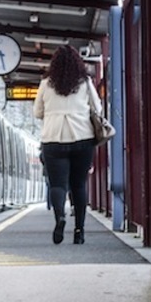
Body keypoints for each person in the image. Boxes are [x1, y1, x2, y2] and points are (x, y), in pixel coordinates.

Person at [33, 46, 101, 245]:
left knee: (58, 184)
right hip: (82, 138)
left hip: (53, 139)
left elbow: (37, 112)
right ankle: (79, 231)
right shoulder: (85, 83)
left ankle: (60, 217)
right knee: (78, 185)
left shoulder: (46, 84)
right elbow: (97, 108)